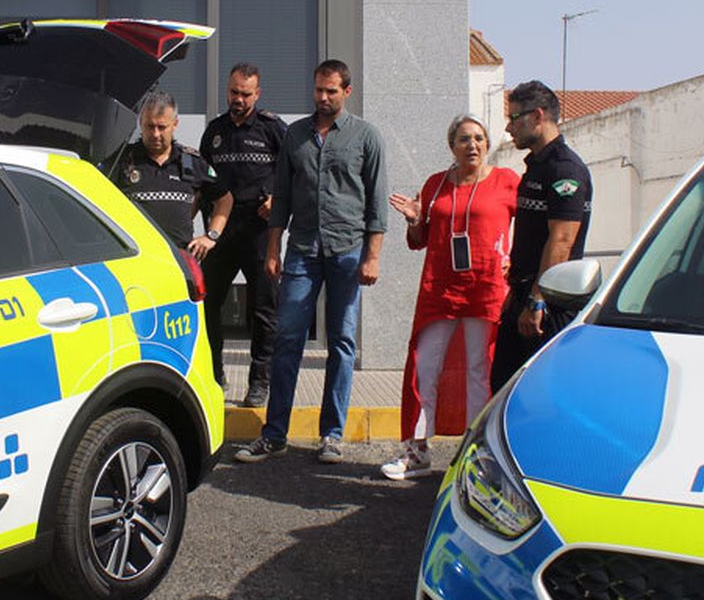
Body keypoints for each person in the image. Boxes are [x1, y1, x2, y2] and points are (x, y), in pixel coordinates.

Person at [235, 60, 387, 465]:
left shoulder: (366, 137)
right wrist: (272, 249)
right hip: (302, 249)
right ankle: (275, 433)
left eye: (331, 91)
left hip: (348, 250)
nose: (322, 98)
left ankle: (332, 435)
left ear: (347, 92)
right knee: (288, 338)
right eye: (318, 90)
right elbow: (281, 196)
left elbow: (377, 202)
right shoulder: (296, 136)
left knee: (341, 342)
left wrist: (373, 256)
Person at [381, 116, 518, 480]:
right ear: (451, 146)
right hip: (439, 288)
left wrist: (516, 263)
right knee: (425, 366)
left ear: (487, 143)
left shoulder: (507, 181)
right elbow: (419, 239)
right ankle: (416, 450)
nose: (471, 145)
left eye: (478, 138)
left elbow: (533, 228)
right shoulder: (436, 183)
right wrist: (413, 219)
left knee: (479, 369)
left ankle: (475, 454)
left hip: (486, 288)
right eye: (463, 139)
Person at [489, 80, 593, 393]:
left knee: (538, 395)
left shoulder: (564, 170)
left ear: (537, 117)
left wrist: (537, 300)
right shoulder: (537, 166)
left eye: (514, 118)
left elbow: (561, 240)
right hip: (524, 297)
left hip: (548, 307)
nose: (509, 128)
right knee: (505, 391)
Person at [199, 63, 288, 407]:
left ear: (258, 93)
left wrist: (276, 198)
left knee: (264, 310)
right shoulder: (215, 131)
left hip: (259, 233)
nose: (238, 99)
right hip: (220, 233)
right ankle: (214, 375)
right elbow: (201, 180)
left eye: (245, 94)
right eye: (234, 92)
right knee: (207, 306)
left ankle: (259, 382)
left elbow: (292, 173)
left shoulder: (272, 128)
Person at [112, 91, 232, 257]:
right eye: (149, 126)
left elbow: (225, 199)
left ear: (175, 124)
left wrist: (211, 236)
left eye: (162, 127)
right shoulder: (121, 160)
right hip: (136, 260)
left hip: (180, 261)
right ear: (140, 122)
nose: (155, 134)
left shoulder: (191, 161)